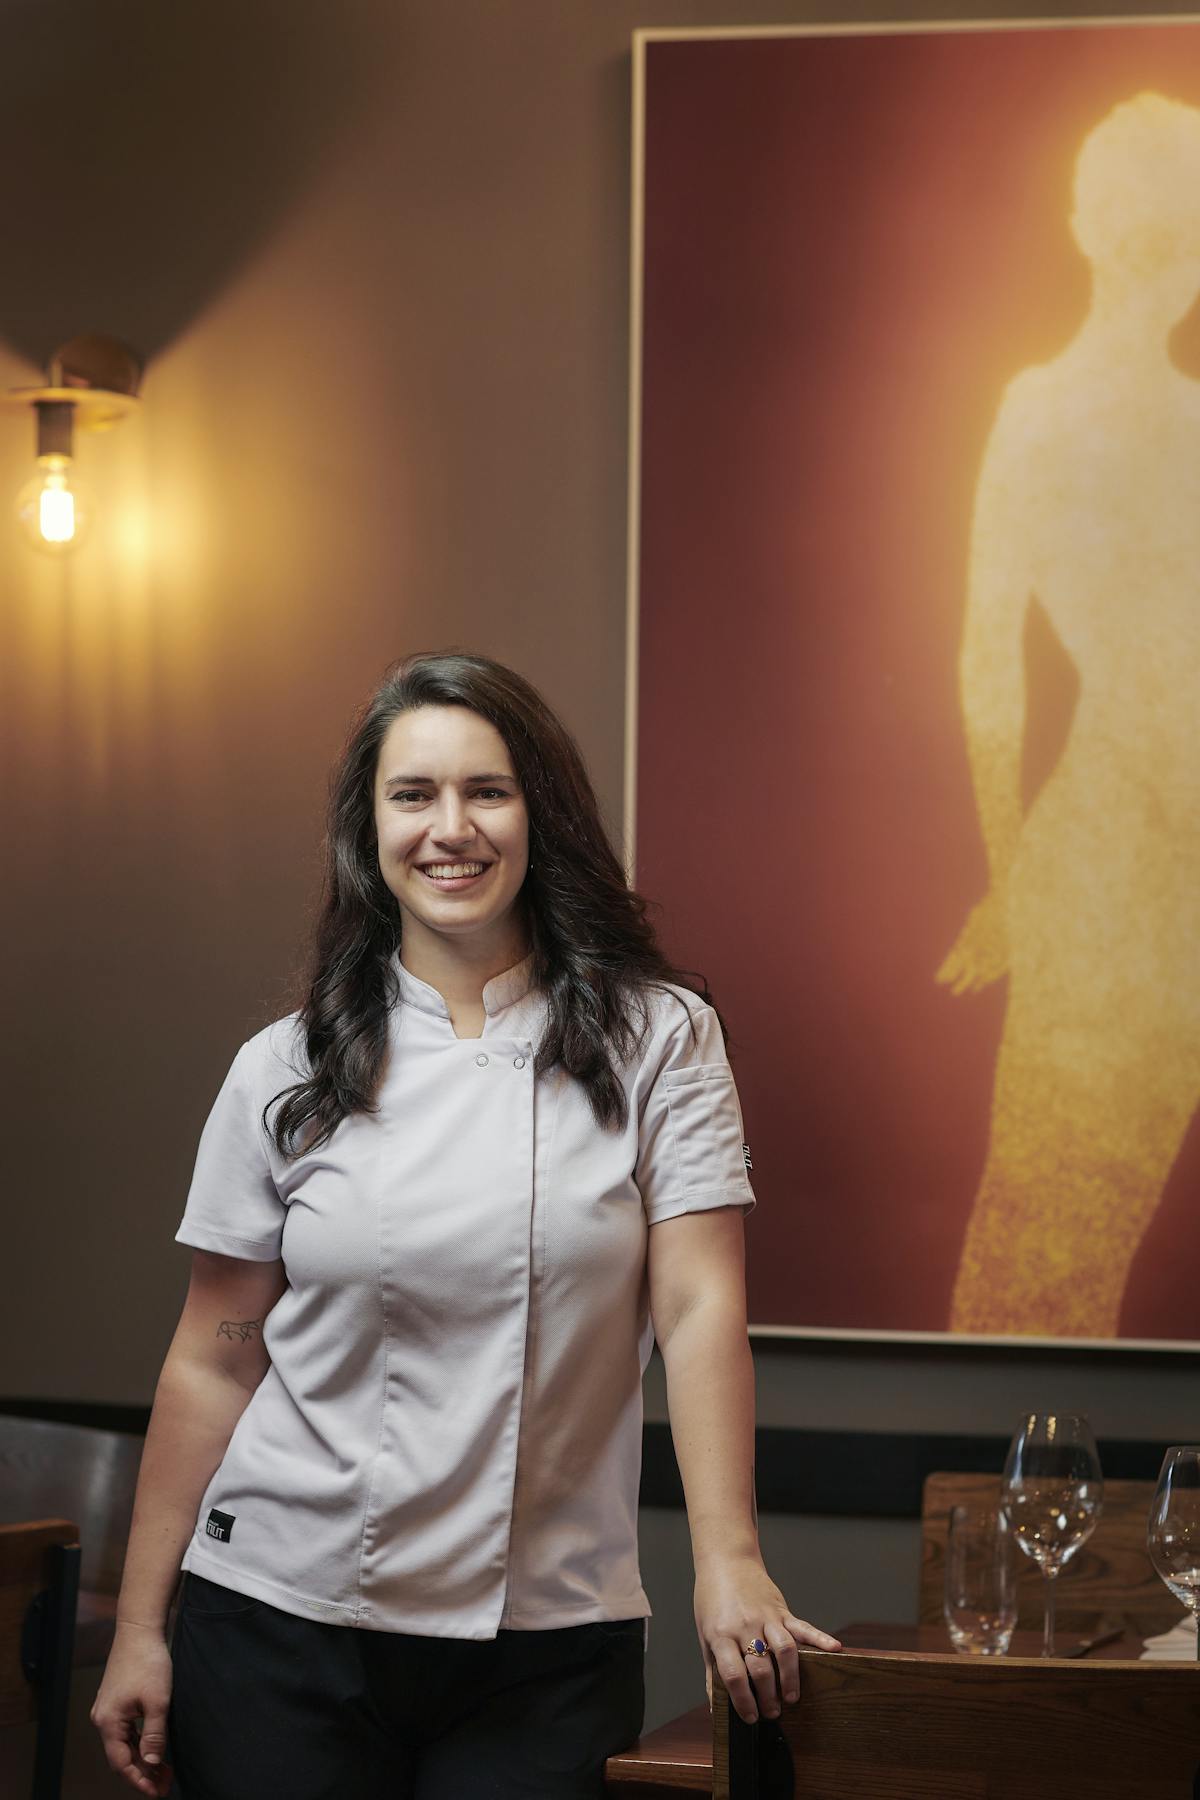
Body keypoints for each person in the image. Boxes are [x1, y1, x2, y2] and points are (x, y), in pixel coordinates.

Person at [92, 651, 839, 1799]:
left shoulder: (663, 1040)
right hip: (280, 1618)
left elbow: (698, 1308)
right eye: (413, 795)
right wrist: (142, 1624)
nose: (453, 828)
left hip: (547, 1637)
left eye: (487, 790)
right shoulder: (284, 1067)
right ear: (369, 829)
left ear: (541, 812)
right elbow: (213, 1354)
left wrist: (728, 1562)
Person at [936, 93, 1200, 1339]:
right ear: (1094, 230)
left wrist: (1012, 880)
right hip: (1106, 872)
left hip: (1133, 876)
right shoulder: (1045, 410)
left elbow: (992, 665)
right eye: (1160, 234)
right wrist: (1015, 884)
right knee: (1047, 1250)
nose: (1171, 266)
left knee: (1072, 1236)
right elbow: (988, 666)